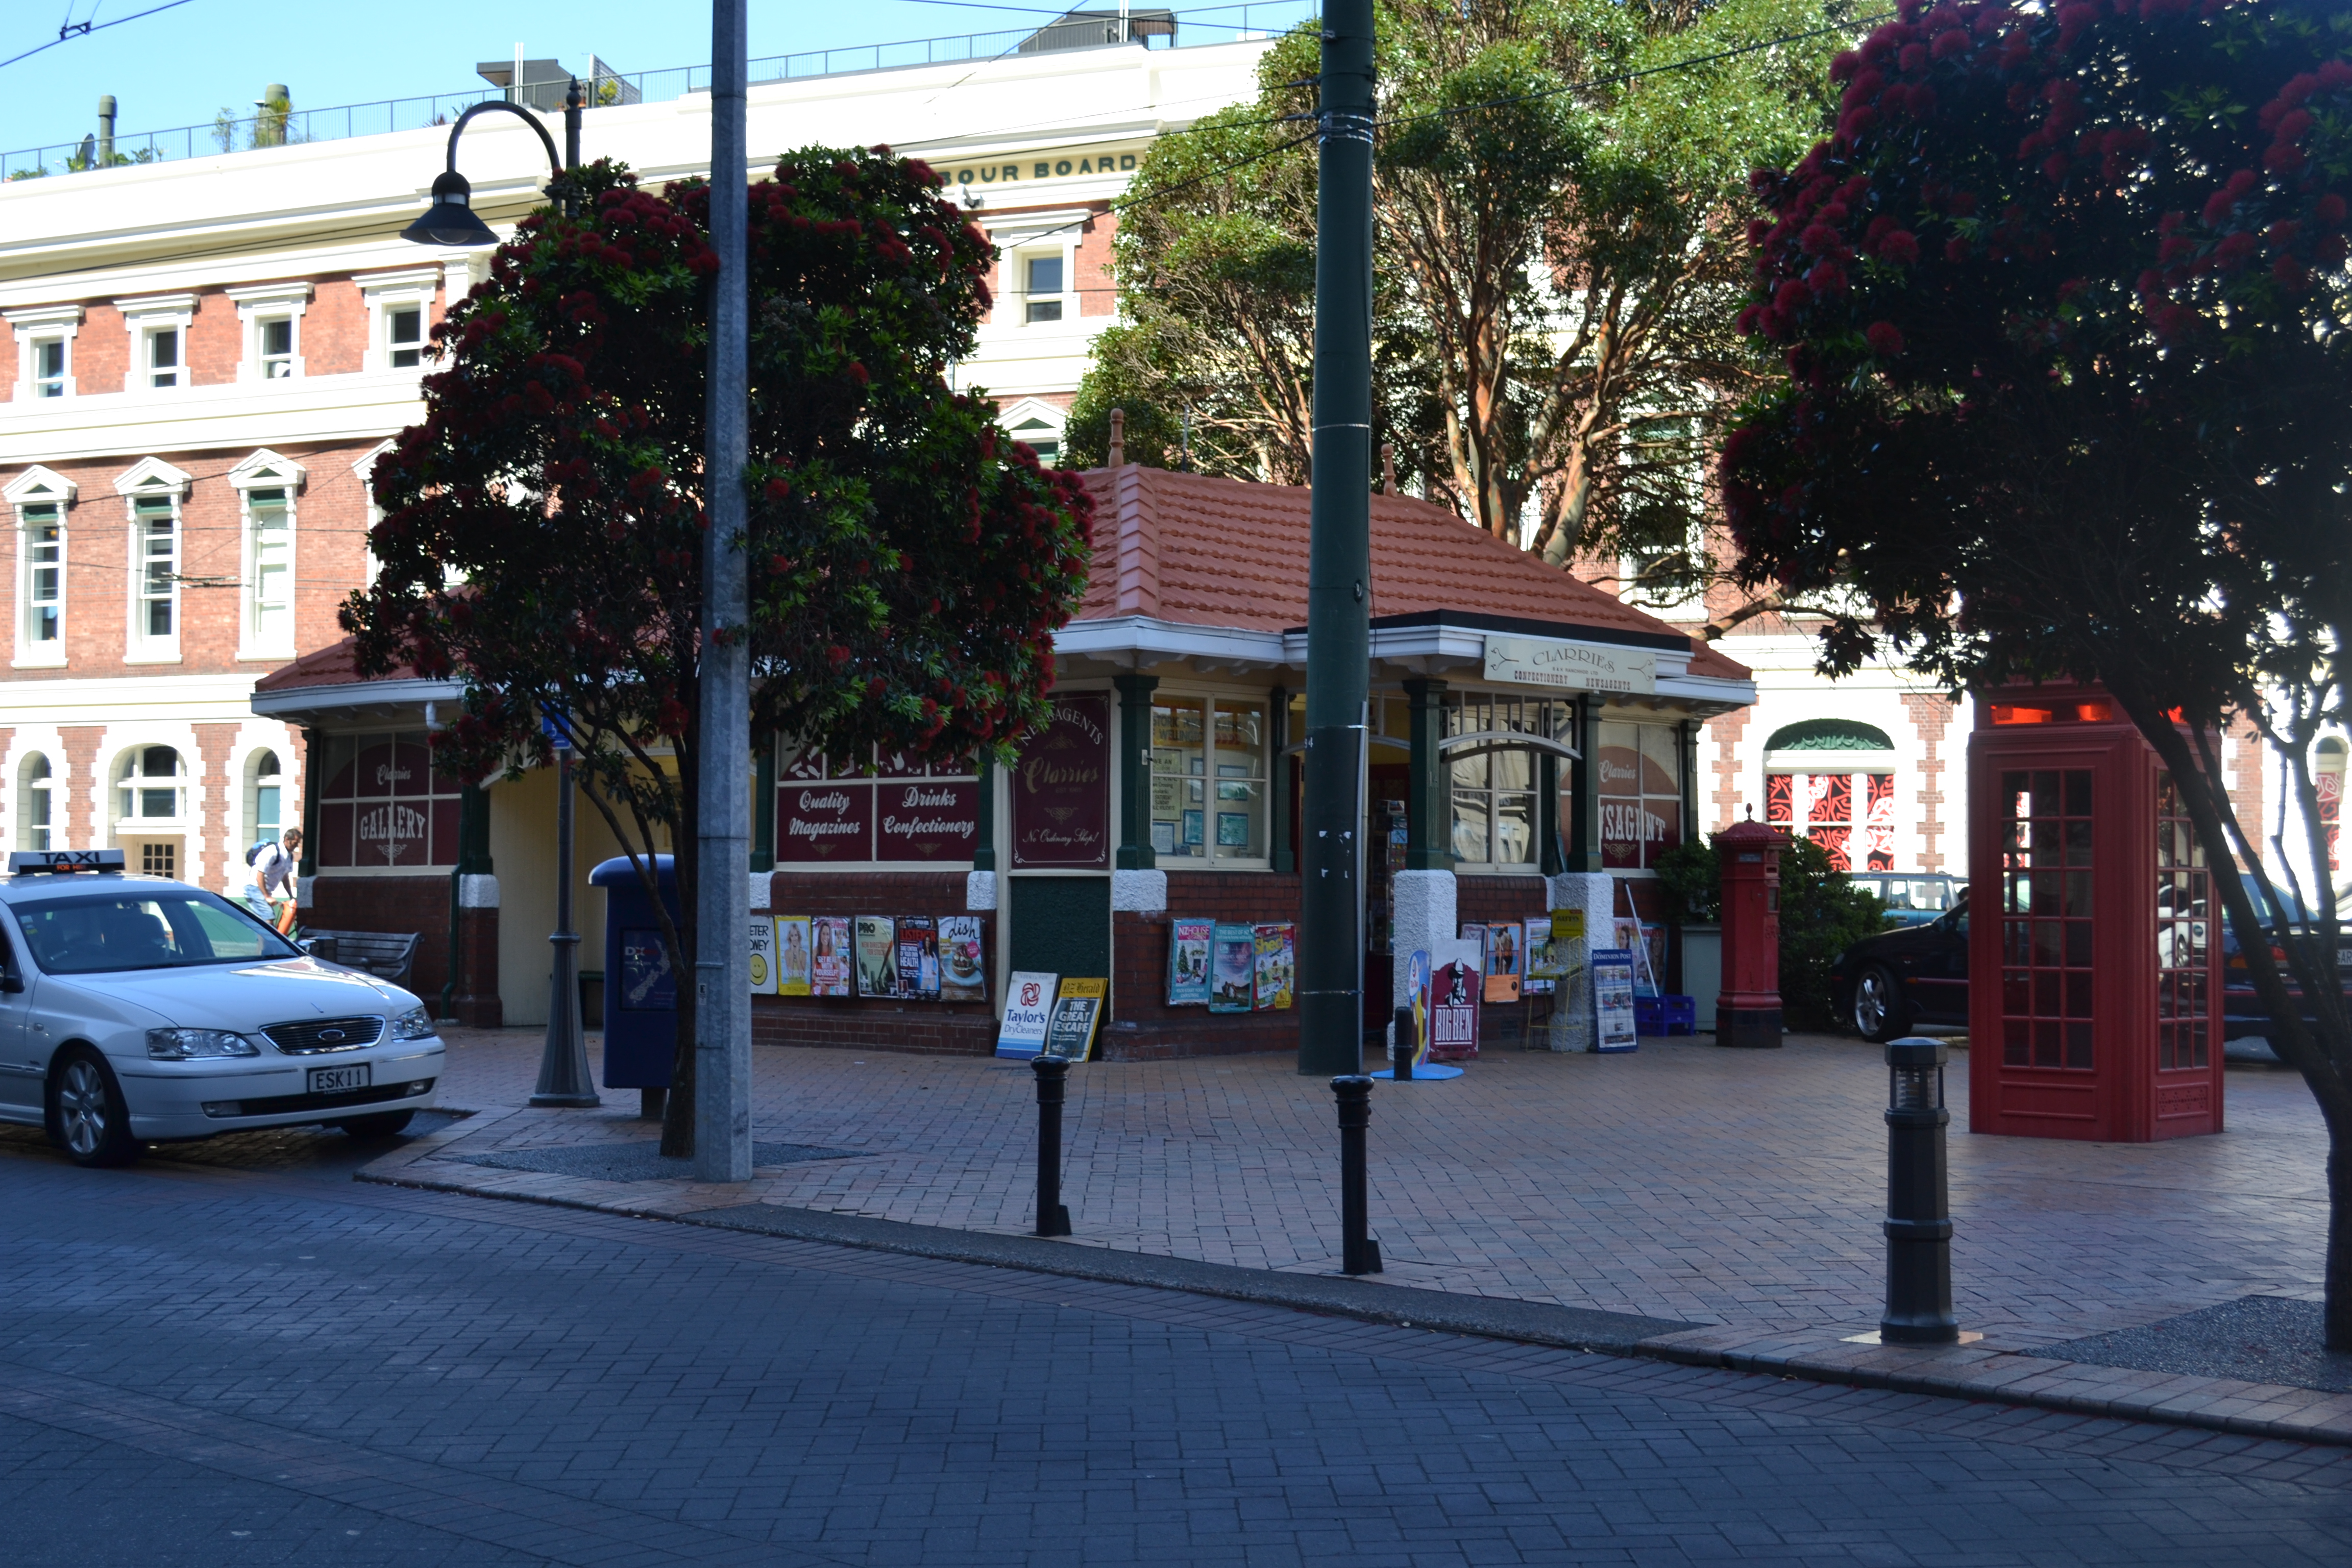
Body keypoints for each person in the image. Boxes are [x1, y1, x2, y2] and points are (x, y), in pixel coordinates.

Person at [251, 828, 302, 935]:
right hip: (253, 888)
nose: (296, 846)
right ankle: (267, 950)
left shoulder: (289, 856)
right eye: (294, 843)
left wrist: (291, 897)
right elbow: (259, 874)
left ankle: (265, 948)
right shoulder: (273, 851)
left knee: (267, 923)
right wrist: (267, 897)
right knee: (268, 919)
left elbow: (285, 877)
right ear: (287, 839)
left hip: (265, 891)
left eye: (298, 844)